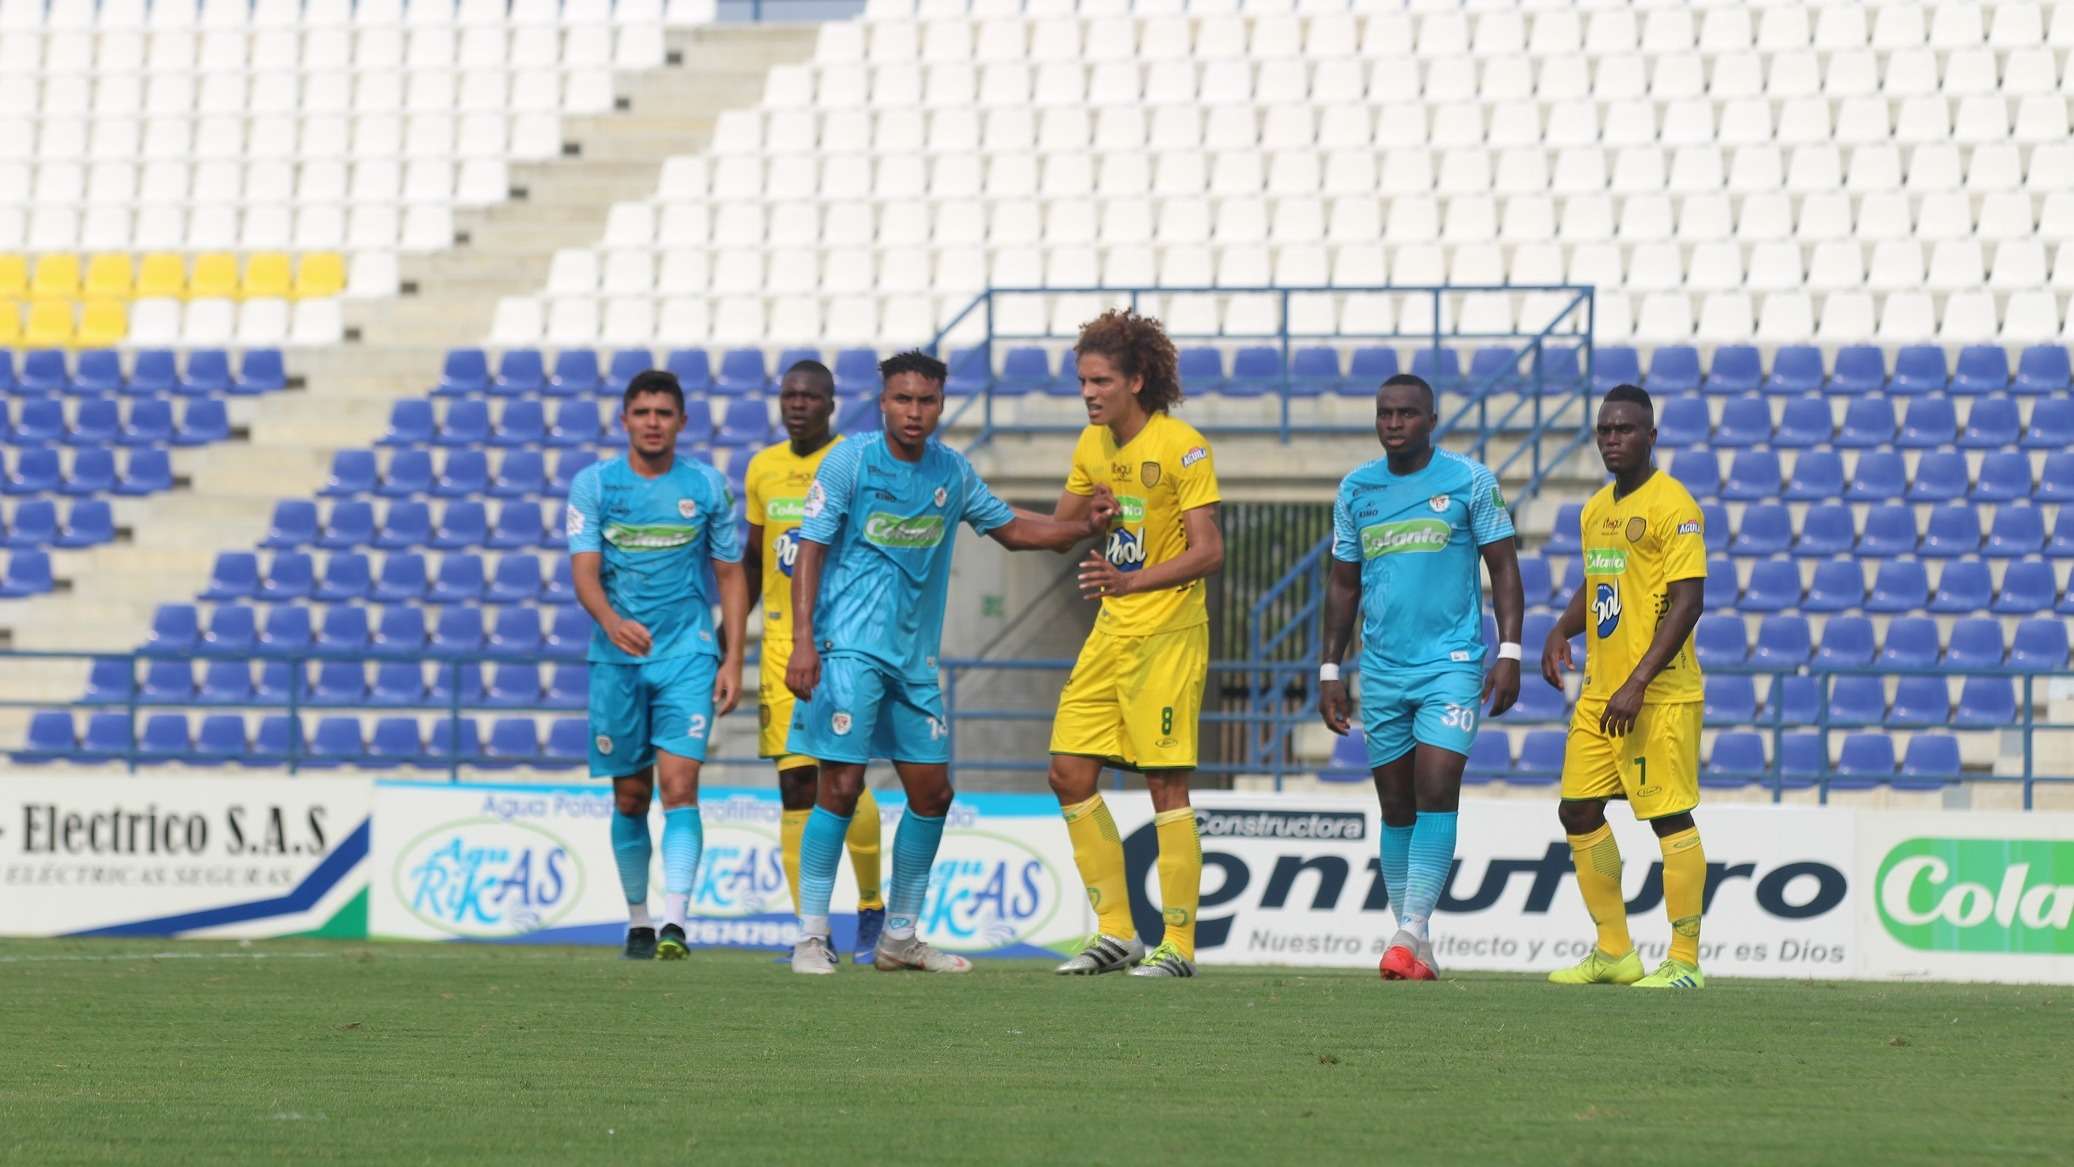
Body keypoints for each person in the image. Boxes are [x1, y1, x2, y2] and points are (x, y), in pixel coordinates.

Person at [784, 351, 1116, 975]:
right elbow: (810, 548)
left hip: (913, 663)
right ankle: (810, 936)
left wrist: (1081, 527)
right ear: (883, 401)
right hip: (848, 651)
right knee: (842, 786)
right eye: (903, 400)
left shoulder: (951, 472)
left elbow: (1014, 528)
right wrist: (804, 640)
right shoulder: (852, 460)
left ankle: (900, 938)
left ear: (941, 403)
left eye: (926, 401)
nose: (914, 412)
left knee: (933, 793)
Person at [1318, 373, 1524, 982]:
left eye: (1406, 414)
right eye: (1384, 413)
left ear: (1431, 420)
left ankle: (1406, 933)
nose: (1393, 423)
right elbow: (1343, 583)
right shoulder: (1357, 490)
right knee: (1396, 804)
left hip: (1452, 663)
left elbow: (1505, 571)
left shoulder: (1470, 482)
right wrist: (1331, 666)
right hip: (1381, 669)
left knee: (1437, 785)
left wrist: (1508, 650)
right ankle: (1419, 940)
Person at [1046, 309, 1225, 979]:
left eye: (1101, 381)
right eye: (1083, 381)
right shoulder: (1091, 445)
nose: (1089, 393)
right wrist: (1088, 517)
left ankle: (1177, 946)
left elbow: (1209, 551)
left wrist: (1132, 579)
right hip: (1112, 630)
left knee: (1163, 781)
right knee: (1067, 768)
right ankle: (1116, 933)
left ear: (1137, 380)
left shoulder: (1183, 445)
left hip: (1167, 634)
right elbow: (1062, 529)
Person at [567, 369, 748, 961]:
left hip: (688, 654)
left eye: (663, 413)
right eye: (642, 412)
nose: (652, 422)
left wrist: (733, 657)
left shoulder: (708, 486)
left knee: (680, 786)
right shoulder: (594, 486)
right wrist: (611, 620)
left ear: (681, 422)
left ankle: (676, 922)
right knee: (629, 796)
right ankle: (638, 921)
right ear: (625, 420)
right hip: (617, 659)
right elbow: (585, 572)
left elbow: (730, 575)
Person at [1540, 384, 1710, 990]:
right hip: (1599, 692)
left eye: (1626, 429)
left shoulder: (1675, 506)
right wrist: (1562, 628)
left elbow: (1689, 602)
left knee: (1669, 818)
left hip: (1657, 694)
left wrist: (1639, 680)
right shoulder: (1594, 510)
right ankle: (1615, 951)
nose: (1613, 439)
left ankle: (1685, 962)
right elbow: (1598, 582)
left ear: (1651, 436)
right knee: (1578, 810)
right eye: (1605, 430)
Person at [742, 359, 884, 963]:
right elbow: (753, 557)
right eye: (789, 395)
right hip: (779, 644)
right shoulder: (763, 468)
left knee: (844, 775)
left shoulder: (853, 461)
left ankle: (873, 905)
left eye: (810, 396)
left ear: (830, 403)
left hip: (841, 639)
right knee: (796, 782)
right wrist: (731, 638)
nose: (797, 404)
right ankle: (813, 930)